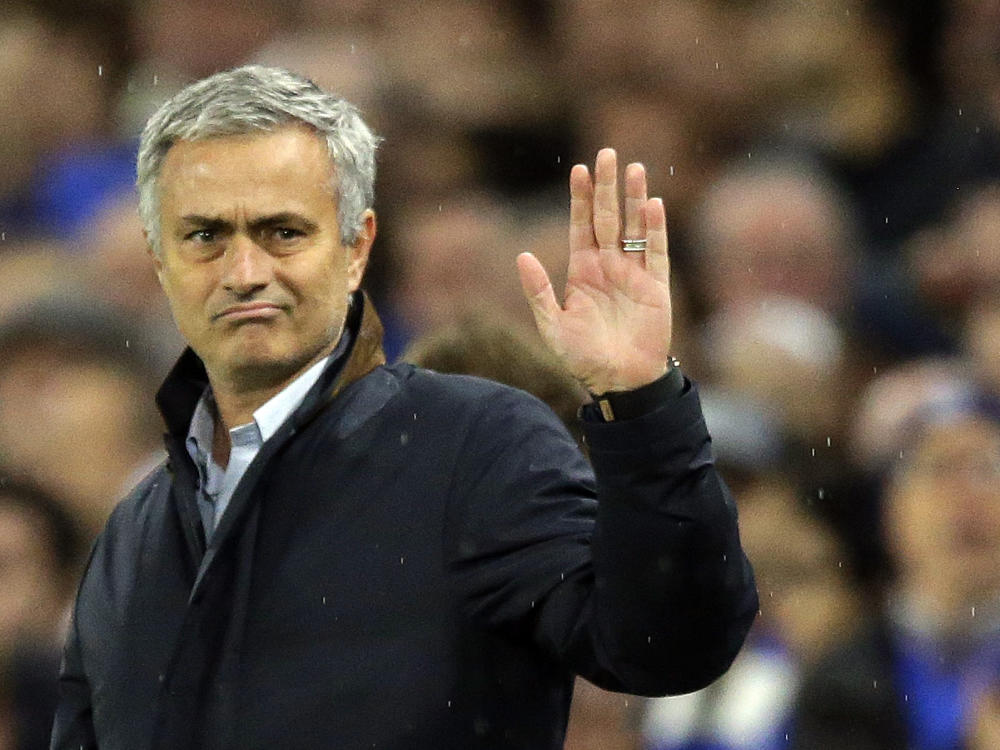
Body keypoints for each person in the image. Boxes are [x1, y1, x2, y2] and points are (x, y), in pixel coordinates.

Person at [50, 65, 758, 749]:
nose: (245, 273)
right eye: (205, 236)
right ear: (158, 259)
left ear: (358, 248)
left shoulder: (476, 447)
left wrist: (643, 402)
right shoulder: (133, 532)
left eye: (283, 232)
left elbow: (667, 646)